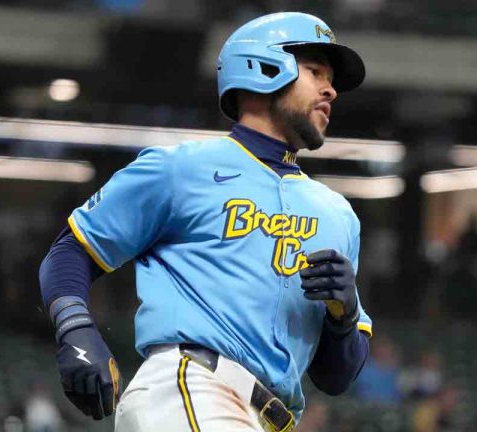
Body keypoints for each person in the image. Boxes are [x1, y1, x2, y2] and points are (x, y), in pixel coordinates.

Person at [38, 12, 373, 432]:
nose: (331, 90)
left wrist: (346, 315)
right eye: (315, 71)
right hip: (192, 387)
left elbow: (335, 378)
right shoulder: (181, 169)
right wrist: (76, 329)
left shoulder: (338, 214)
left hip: (269, 419)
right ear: (263, 67)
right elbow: (72, 250)